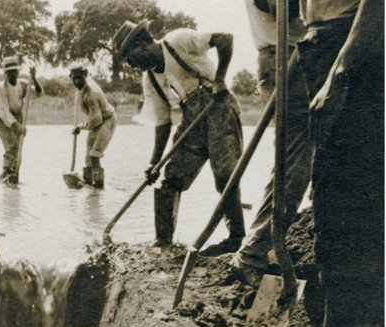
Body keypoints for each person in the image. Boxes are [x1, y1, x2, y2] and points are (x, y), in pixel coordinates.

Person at [112, 20, 245, 250]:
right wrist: (154, 162)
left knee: (225, 175)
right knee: (171, 178)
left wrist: (221, 79)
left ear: (142, 44)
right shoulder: (150, 79)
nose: (131, 64)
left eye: (129, 57)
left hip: (218, 108)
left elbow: (225, 38)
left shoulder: (178, 41)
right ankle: (163, 242)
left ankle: (236, 239)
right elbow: (162, 122)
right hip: (191, 120)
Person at [303, 0, 383, 327]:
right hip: (331, 44)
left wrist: (339, 74)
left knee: (338, 200)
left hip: (350, 47)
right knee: (348, 196)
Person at [230, 0, 313, 286]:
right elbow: (286, 9)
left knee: (302, 157)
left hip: (296, 56)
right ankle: (252, 251)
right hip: (286, 57)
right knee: (295, 162)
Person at [0, 56, 42, 184]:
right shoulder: (1, 88)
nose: (12, 74)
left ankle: (14, 174)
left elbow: (38, 93)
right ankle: (5, 174)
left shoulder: (24, 84)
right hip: (2, 122)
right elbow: (4, 112)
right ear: (5, 73)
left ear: (18, 72)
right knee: (12, 146)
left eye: (14, 71)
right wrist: (17, 126)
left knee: (18, 149)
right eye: (9, 72)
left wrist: (34, 78)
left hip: (18, 117)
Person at [70, 65, 115, 189]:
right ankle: (89, 185)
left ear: (85, 76)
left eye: (80, 78)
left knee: (95, 154)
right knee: (88, 157)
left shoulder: (91, 93)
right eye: (74, 78)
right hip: (96, 122)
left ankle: (98, 187)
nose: (77, 81)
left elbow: (97, 119)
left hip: (107, 120)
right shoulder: (80, 88)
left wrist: (80, 127)